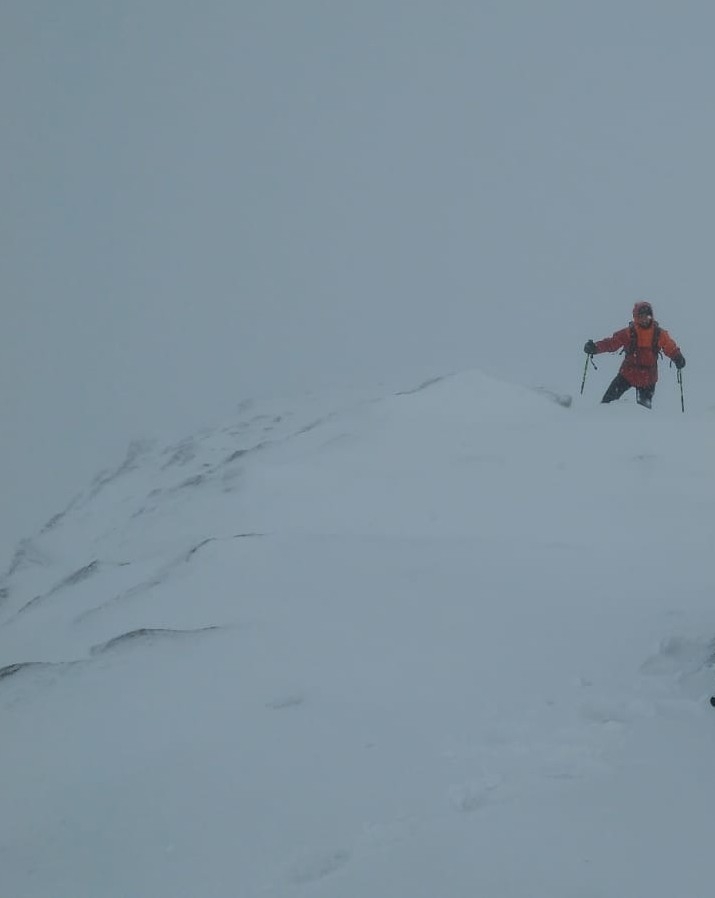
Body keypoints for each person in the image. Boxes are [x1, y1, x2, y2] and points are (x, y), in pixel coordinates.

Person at [583, 301, 685, 409]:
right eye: (641, 316)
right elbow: (611, 343)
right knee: (607, 403)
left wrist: (677, 356)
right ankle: (602, 417)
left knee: (644, 412)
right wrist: (595, 348)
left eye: (647, 316)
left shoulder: (659, 334)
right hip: (628, 374)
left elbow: (669, 347)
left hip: (648, 378)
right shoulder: (628, 333)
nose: (644, 319)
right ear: (636, 317)